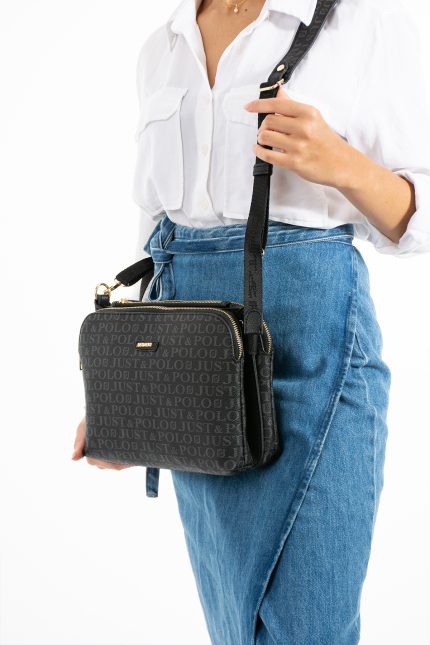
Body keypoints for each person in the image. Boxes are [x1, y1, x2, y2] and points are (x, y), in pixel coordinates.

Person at [72, 0, 430, 642]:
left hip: (315, 349)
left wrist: (341, 162)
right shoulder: (165, 45)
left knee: (310, 624)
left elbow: (419, 221)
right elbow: (156, 233)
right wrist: (127, 389)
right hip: (200, 365)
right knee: (237, 625)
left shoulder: (365, 22)